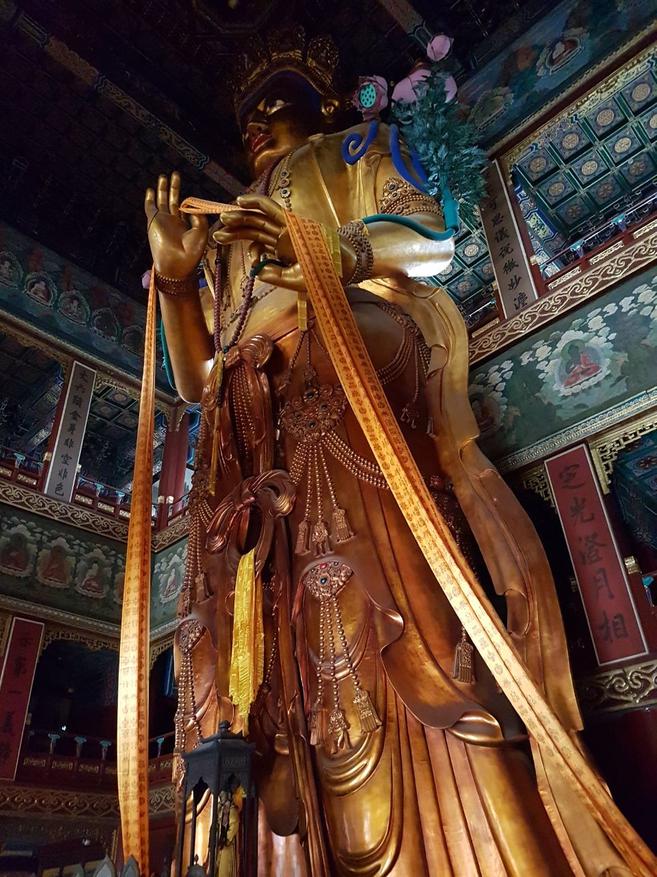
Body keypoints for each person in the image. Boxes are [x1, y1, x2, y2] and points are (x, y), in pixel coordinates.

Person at [144, 27, 639, 877]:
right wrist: (180, 282)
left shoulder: (354, 150)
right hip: (246, 433)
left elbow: (433, 242)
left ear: (326, 105)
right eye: (247, 115)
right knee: (236, 653)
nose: (257, 122)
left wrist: (322, 251)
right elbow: (197, 380)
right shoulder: (223, 229)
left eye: (276, 100)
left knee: (365, 604)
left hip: (340, 377)